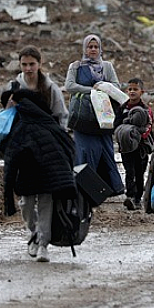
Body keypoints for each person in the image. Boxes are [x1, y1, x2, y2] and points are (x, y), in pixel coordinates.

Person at [2, 89, 77, 263]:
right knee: (27, 205)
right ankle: (35, 234)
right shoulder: (19, 125)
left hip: (47, 175)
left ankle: (43, 244)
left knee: (45, 207)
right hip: (27, 175)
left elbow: (67, 149)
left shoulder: (42, 123)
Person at [65, 34, 125, 195]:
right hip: (83, 117)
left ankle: (110, 188)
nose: (93, 50)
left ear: (100, 49)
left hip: (103, 117)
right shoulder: (76, 66)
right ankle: (86, 188)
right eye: (89, 47)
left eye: (95, 47)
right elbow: (69, 86)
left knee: (106, 151)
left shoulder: (107, 66)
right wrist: (91, 90)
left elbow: (116, 85)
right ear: (84, 48)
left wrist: (103, 86)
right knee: (85, 151)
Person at [5, 46, 68, 129]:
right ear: (19, 64)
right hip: (19, 136)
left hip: (46, 135)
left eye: (32, 64)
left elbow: (61, 115)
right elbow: (6, 116)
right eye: (24, 64)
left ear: (39, 64)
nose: (28, 68)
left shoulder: (50, 88)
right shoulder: (13, 87)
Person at [114, 78, 154, 211]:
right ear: (126, 91)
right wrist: (124, 135)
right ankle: (130, 196)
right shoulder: (122, 108)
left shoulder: (146, 110)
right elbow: (117, 125)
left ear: (141, 92)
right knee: (129, 171)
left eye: (135, 89)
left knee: (139, 172)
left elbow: (148, 127)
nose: (132, 92)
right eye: (130, 89)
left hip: (141, 147)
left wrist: (137, 136)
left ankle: (138, 198)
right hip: (126, 147)